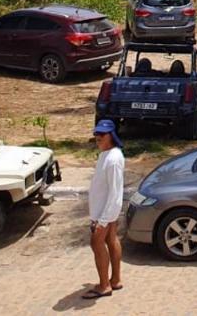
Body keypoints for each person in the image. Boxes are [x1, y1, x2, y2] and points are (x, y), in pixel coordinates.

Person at [84, 120, 125, 300]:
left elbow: (115, 192)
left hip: (105, 213)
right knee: (111, 239)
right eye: (96, 134)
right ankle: (115, 280)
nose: (98, 138)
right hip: (104, 211)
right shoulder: (106, 154)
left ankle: (104, 285)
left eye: (102, 134)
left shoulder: (114, 159)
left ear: (111, 136)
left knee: (96, 243)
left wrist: (102, 220)